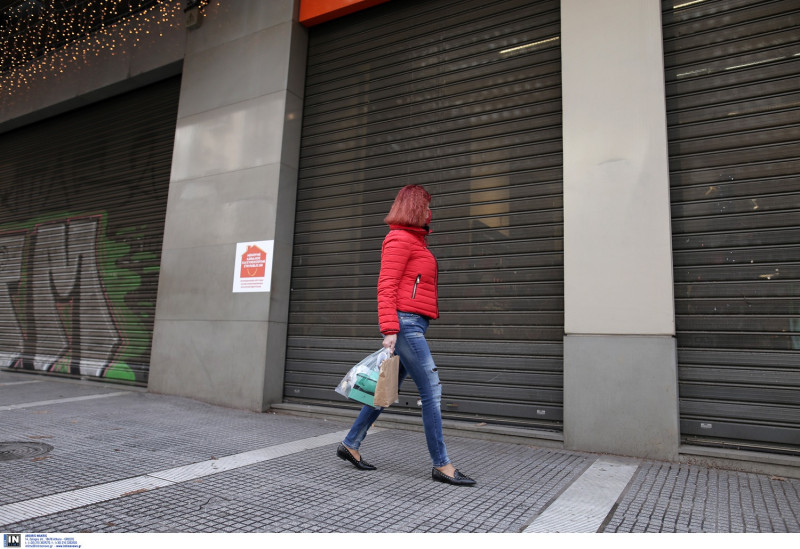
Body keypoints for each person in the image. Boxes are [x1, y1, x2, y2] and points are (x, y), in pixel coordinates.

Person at [336, 184, 476, 486]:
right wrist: (389, 329)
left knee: (384, 391)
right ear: (415, 208)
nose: (430, 212)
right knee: (432, 392)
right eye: (427, 206)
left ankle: (350, 444)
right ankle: (442, 465)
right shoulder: (399, 239)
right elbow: (386, 285)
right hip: (405, 325)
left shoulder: (415, 241)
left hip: (413, 323)